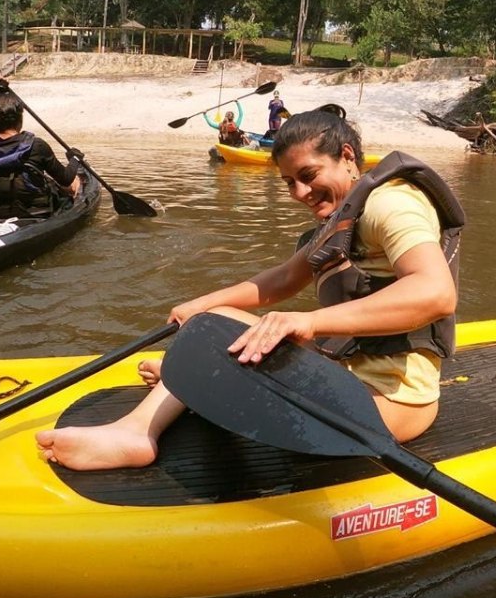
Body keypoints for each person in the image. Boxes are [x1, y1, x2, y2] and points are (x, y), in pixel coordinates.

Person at [36, 108, 466, 470]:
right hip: (348, 374)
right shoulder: (344, 214)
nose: (300, 192)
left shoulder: (392, 202)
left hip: (391, 404)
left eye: (308, 174)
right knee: (210, 325)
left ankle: (139, 431)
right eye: (288, 183)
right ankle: (184, 381)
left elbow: (434, 292)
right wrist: (199, 304)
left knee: (213, 345)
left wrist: (308, 322)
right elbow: (281, 280)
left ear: (347, 156)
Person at [0, 76, 82, 219]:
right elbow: (65, 178)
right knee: (72, 184)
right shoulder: (36, 146)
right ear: (20, 119)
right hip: (36, 213)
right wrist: (75, 159)